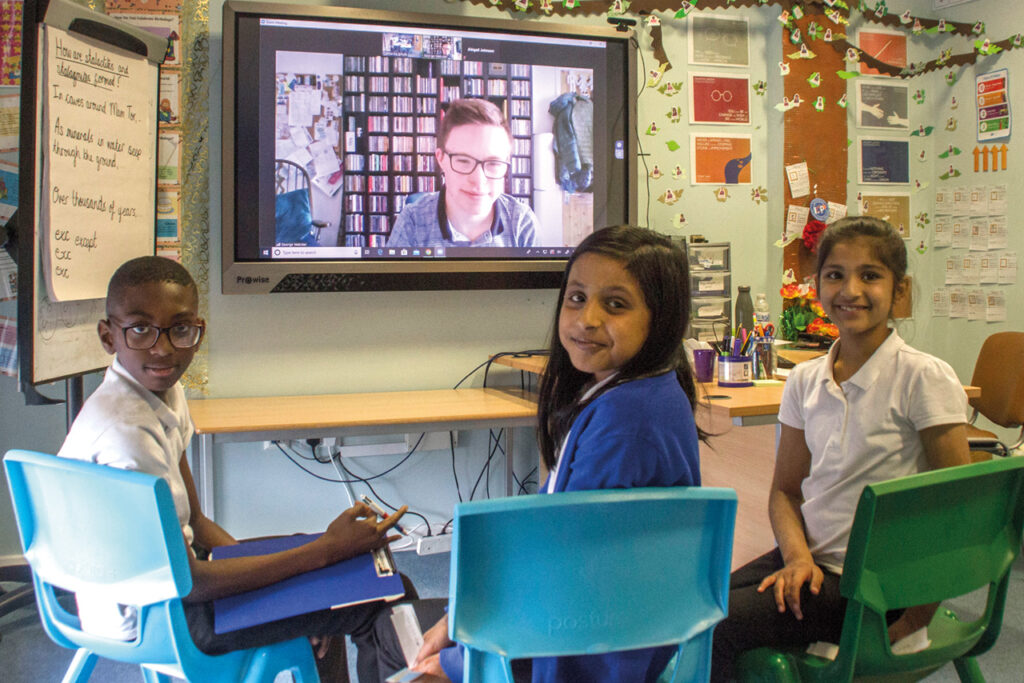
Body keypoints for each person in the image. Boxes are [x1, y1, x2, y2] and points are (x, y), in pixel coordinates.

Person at [370, 226, 703, 682]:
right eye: (576, 297)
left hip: (579, 652)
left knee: (393, 637)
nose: (587, 318)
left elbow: (565, 576)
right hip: (606, 641)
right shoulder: (642, 395)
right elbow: (552, 547)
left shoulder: (626, 425)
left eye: (616, 304)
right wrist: (460, 617)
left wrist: (461, 662)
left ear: (661, 318)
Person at [58, 256, 413, 682]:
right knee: (385, 592)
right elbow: (189, 582)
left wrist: (305, 580)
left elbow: (198, 521)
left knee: (339, 577)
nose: (163, 347)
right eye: (140, 329)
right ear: (107, 335)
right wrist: (322, 555)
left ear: (198, 330)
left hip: (169, 593)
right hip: (164, 618)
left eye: (181, 329)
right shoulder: (126, 433)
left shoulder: (161, 392)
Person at [710, 217, 971, 681]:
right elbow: (785, 492)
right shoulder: (805, 379)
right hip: (813, 565)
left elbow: (957, 511)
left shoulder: (922, 377)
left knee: (714, 628)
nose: (850, 289)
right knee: (696, 606)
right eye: (835, 275)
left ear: (900, 291)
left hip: (879, 587)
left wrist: (915, 621)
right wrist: (797, 559)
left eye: (870, 275)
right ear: (817, 286)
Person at [385, 98, 538, 249]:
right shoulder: (412, 222)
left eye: (493, 163)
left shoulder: (522, 222)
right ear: (441, 159)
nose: (478, 180)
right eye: (463, 161)